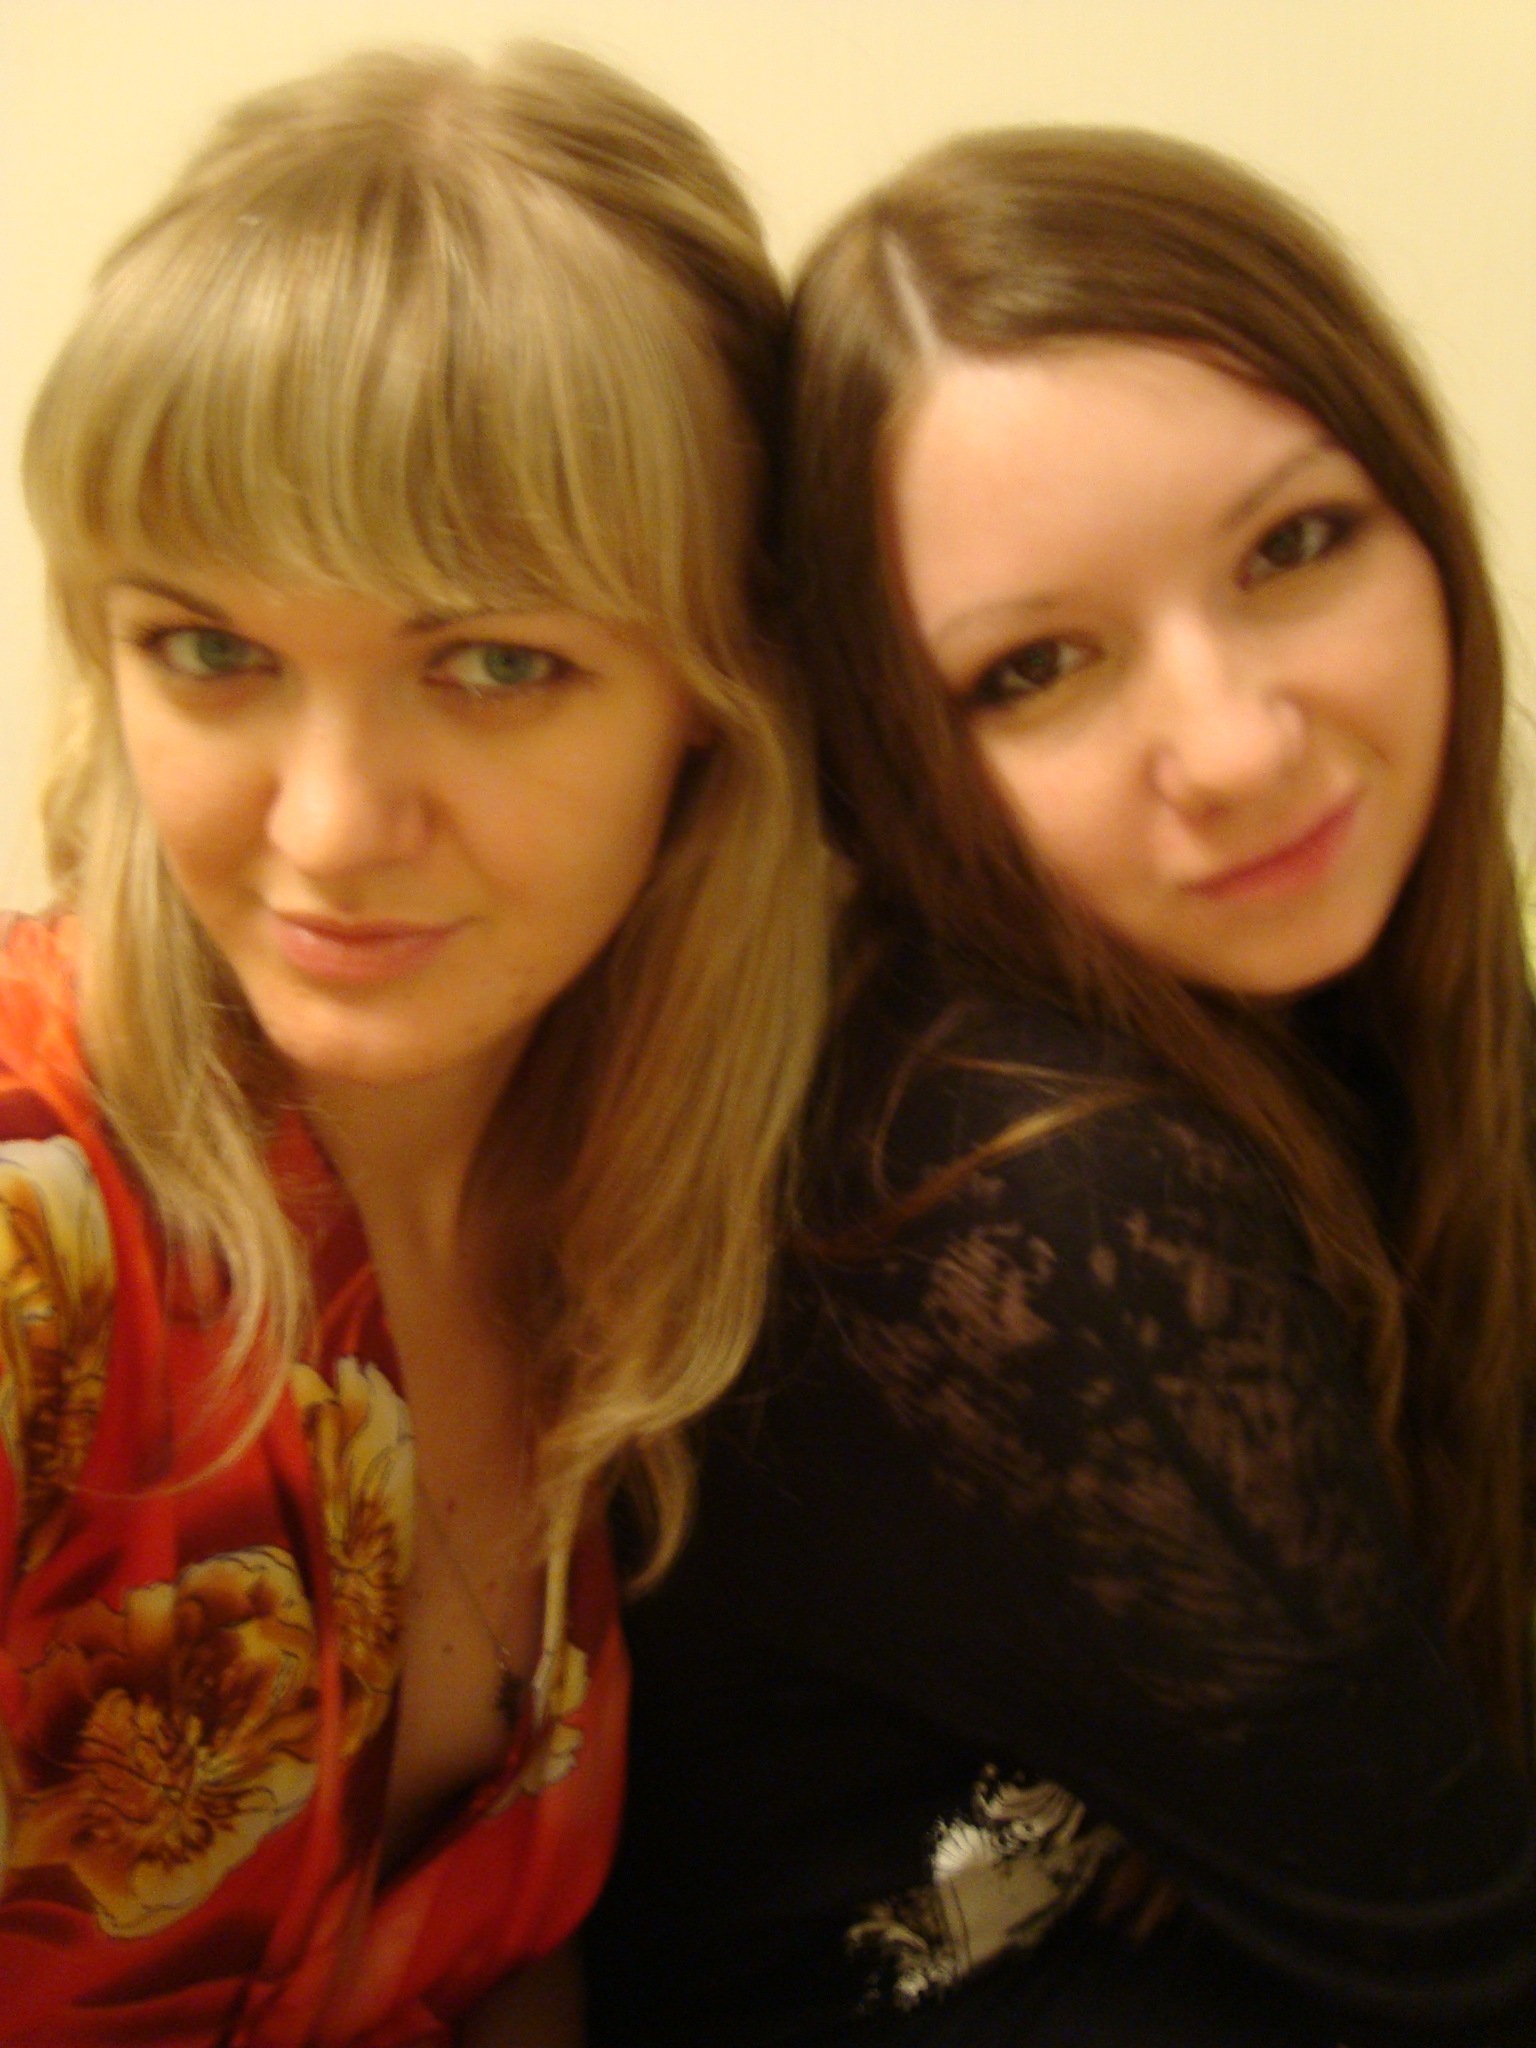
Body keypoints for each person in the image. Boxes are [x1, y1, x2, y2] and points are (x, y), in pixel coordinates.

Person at [585, 128, 1536, 2045]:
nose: (1235, 746)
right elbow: (1467, 1985)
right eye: (1034, 670)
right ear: (883, 759)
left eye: (1293, 547)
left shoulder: (1321, 1009)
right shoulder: (1029, 1182)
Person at [0, 42, 826, 2045]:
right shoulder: (35, 1228)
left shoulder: (661, 1207)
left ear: (716, 695)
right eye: (212, 648)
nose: (329, 826)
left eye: (494, 663)